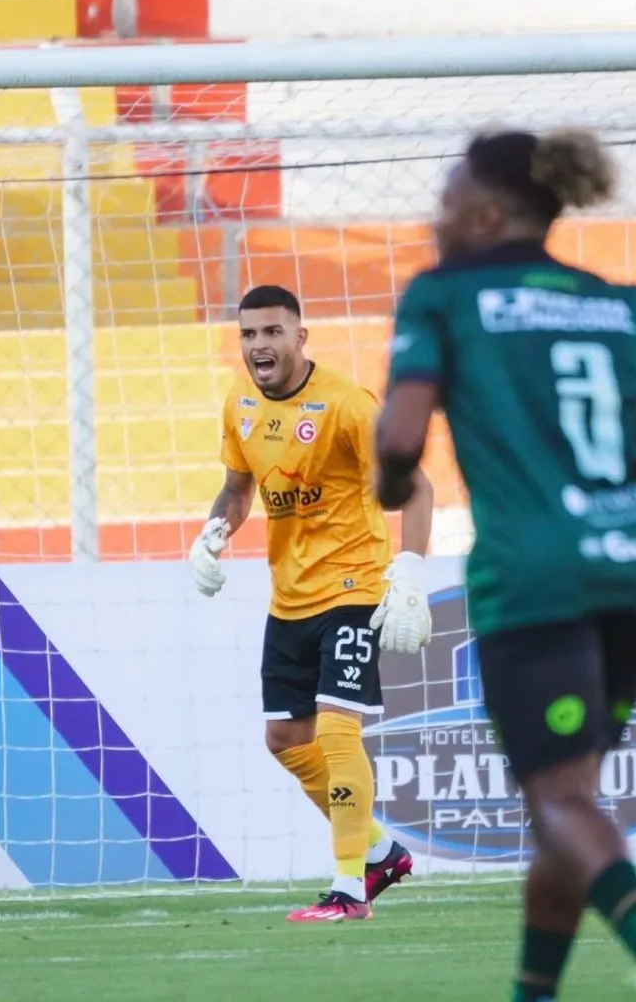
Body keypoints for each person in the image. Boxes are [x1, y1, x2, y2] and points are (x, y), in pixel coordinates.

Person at [375, 129, 636, 999]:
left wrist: (386, 477)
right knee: (564, 804)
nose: (433, 214)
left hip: (531, 576)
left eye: (445, 196)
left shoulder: (445, 296)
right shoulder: (623, 305)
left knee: (558, 796)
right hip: (631, 568)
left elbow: (401, 435)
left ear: (483, 213)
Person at [189, 283, 434, 922]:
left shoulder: (348, 406)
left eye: (273, 332)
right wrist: (214, 531)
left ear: (301, 336)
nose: (259, 345)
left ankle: (350, 888)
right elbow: (238, 485)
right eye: (249, 334)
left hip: (352, 587)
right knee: (285, 738)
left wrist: (406, 576)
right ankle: (380, 851)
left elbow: (419, 488)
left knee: (335, 727)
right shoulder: (239, 403)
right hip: (289, 597)